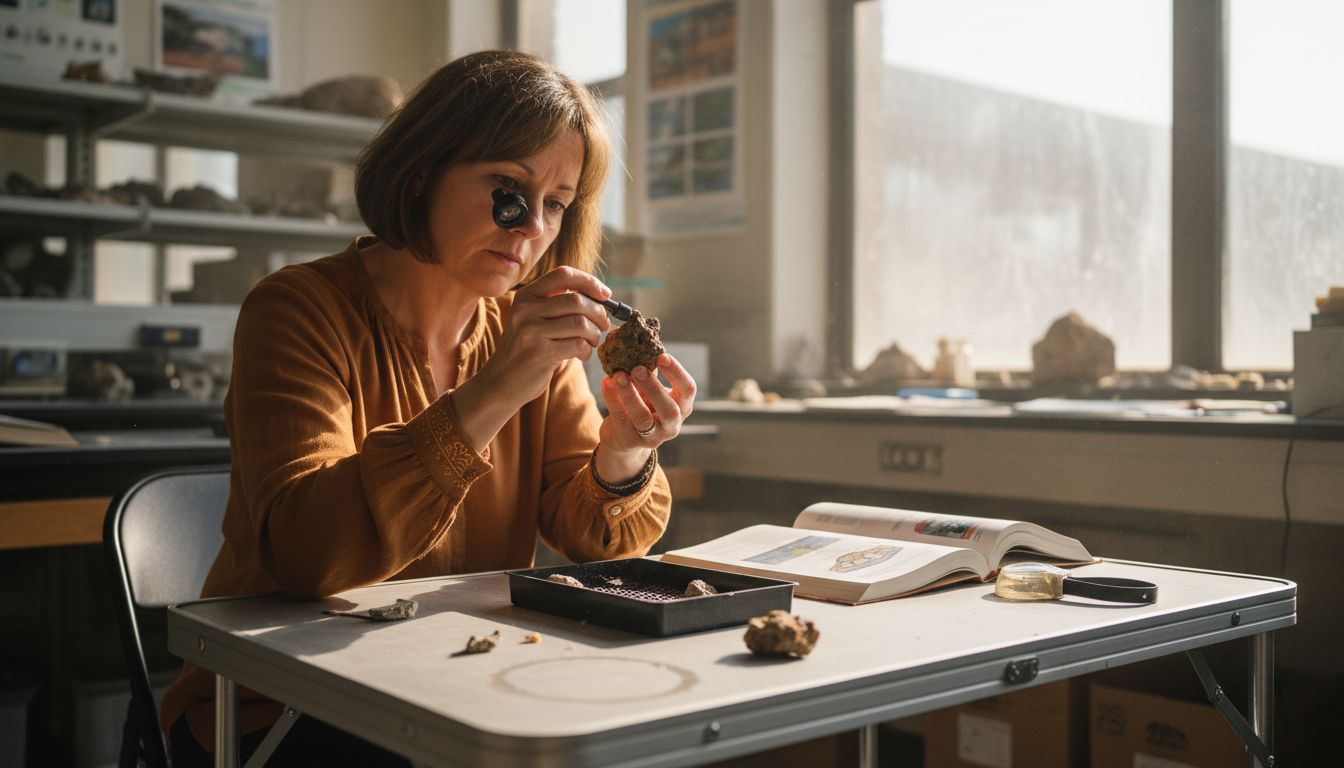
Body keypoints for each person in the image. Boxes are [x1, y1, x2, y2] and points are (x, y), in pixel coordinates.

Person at [161, 49, 696, 766]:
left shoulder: (526, 332)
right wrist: (496, 389)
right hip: (279, 702)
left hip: (453, 685)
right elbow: (308, 555)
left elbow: (594, 538)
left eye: (557, 204)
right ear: (422, 173)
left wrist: (625, 448)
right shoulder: (297, 311)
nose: (531, 228)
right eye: (507, 188)